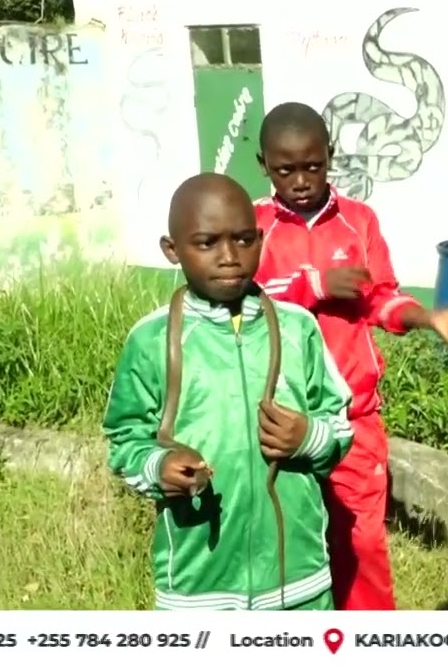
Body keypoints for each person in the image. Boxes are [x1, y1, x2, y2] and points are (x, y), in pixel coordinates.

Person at [251, 102, 448, 610]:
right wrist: (314, 285)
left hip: (352, 416)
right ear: (262, 164)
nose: (301, 180)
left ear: (330, 156)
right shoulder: (252, 226)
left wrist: (429, 318)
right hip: (275, 418)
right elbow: (244, 299)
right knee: (284, 541)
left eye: (312, 165)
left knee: (360, 544)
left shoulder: (358, 222)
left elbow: (380, 298)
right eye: (285, 169)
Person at [103, 173, 353, 610]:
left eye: (243, 240)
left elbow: (339, 423)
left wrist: (307, 437)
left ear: (260, 238)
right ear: (172, 250)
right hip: (199, 587)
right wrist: (159, 465)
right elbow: (125, 440)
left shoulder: (298, 329)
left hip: (298, 584)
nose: (229, 257)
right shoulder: (152, 340)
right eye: (206, 243)